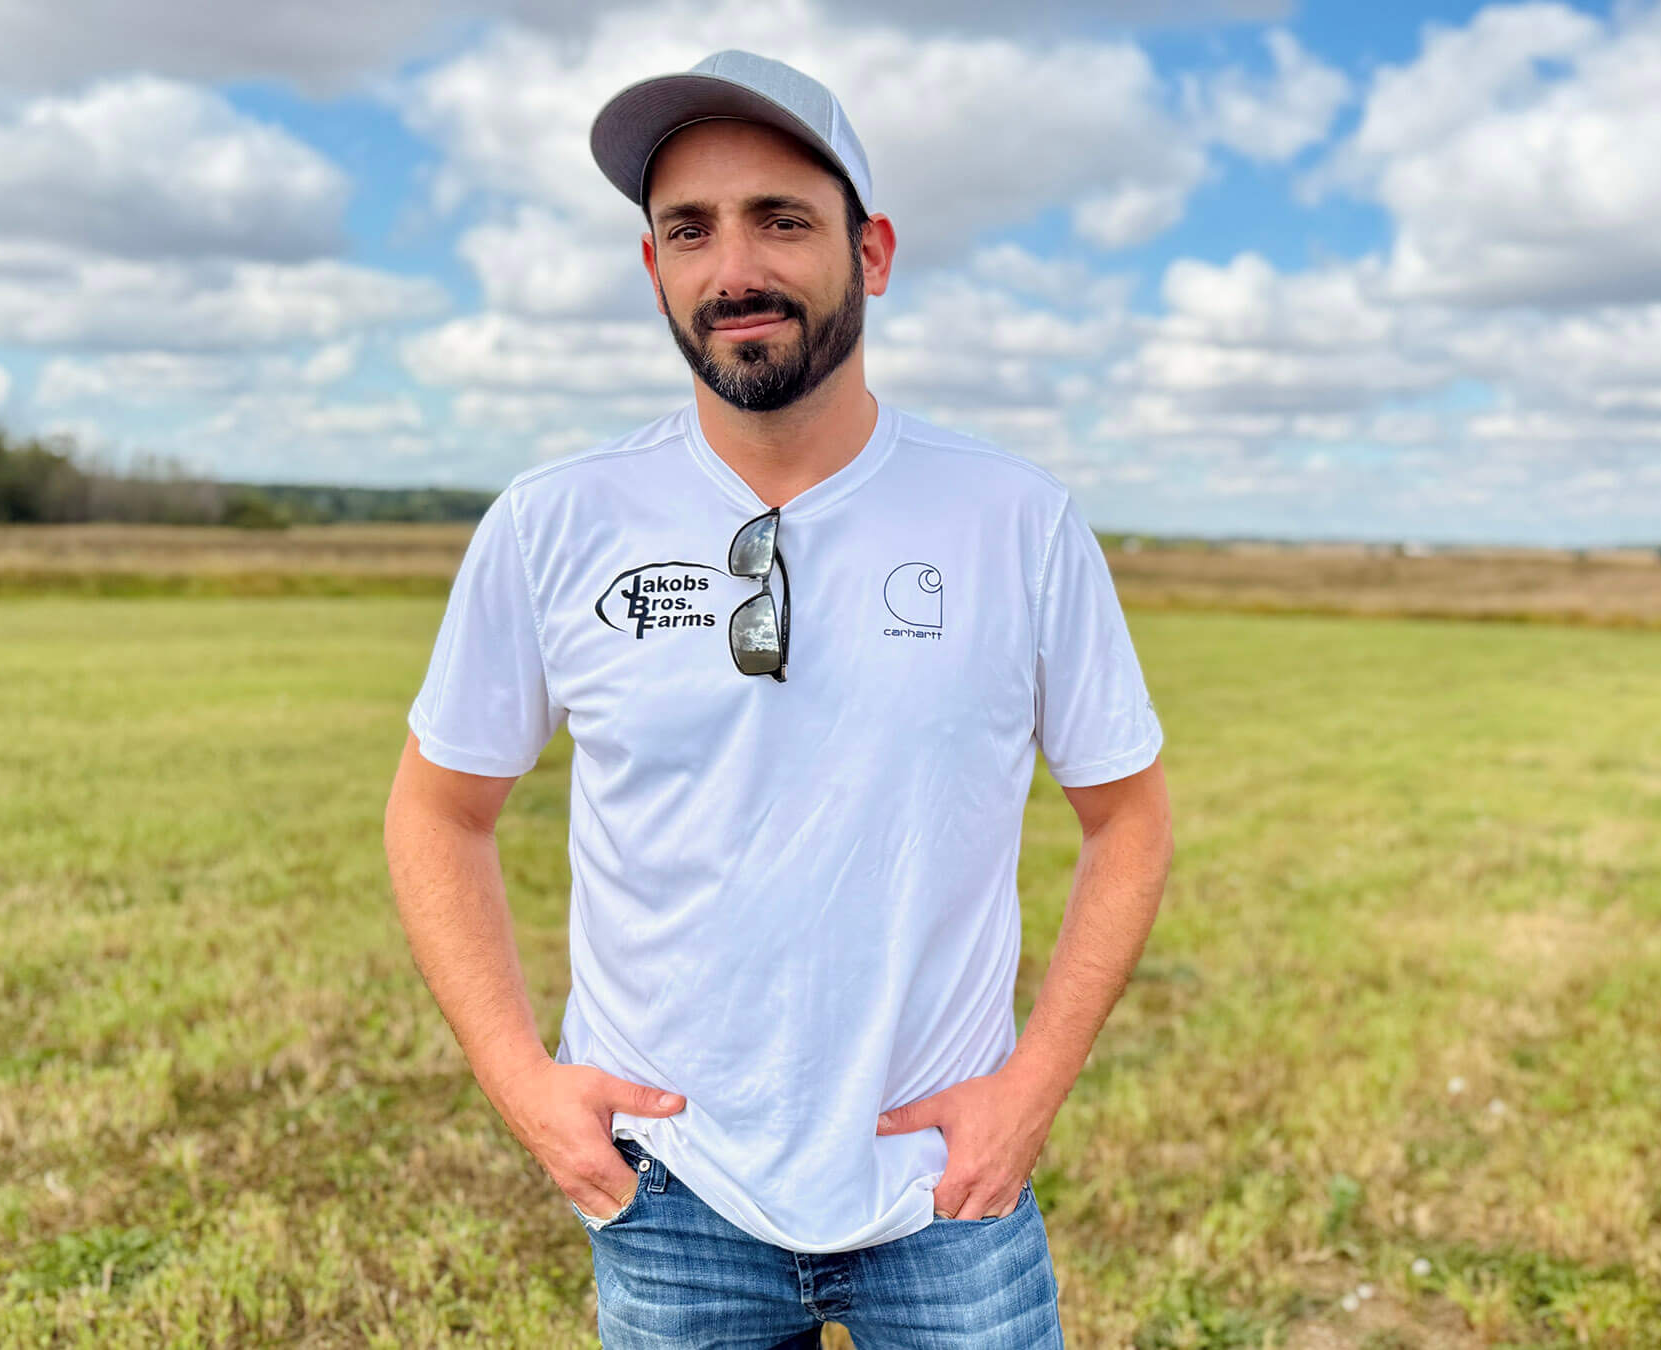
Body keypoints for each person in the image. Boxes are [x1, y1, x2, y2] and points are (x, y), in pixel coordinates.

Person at [381, 49, 1174, 1348]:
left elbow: (1128, 817)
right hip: (673, 1192)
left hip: (941, 1188)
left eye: (781, 220)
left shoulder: (1015, 521)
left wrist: (1033, 1083)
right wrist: (520, 1077)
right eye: (688, 228)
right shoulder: (554, 524)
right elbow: (438, 809)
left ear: (872, 252)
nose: (732, 267)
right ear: (653, 270)